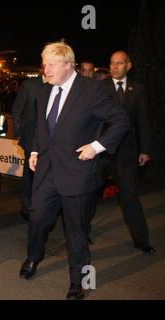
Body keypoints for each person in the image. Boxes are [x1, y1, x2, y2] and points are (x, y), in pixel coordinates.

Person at [19, 41, 129, 299]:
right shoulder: (46, 91)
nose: (46, 70)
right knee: (36, 218)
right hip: (46, 170)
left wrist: (97, 146)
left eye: (52, 65)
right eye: (44, 64)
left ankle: (77, 282)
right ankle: (34, 256)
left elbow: (120, 121)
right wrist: (35, 151)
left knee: (76, 230)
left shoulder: (92, 90)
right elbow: (41, 127)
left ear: (68, 65)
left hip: (77, 173)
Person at [90, 51, 155, 254]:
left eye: (119, 63)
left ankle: (141, 240)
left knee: (130, 197)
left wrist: (145, 149)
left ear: (128, 65)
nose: (114, 67)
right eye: (112, 63)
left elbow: (143, 121)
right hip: (102, 151)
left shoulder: (139, 90)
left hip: (127, 153)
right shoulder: (101, 87)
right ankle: (80, 232)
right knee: (90, 193)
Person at [11, 75, 46, 220]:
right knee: (29, 174)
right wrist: (20, 133)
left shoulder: (58, 84)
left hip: (50, 139)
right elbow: (17, 109)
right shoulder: (30, 85)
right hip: (31, 138)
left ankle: (43, 206)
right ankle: (27, 209)